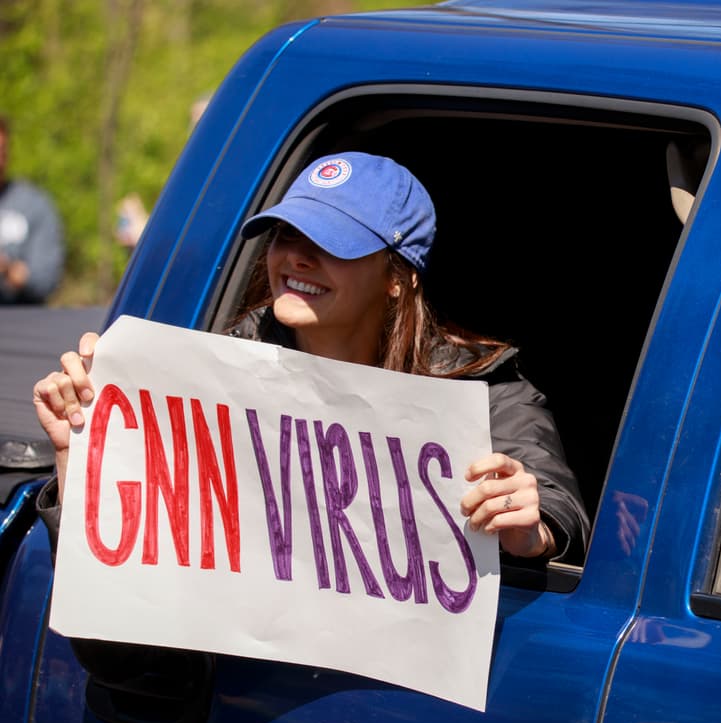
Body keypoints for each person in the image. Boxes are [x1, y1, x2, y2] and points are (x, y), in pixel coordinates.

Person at [33, 151, 590, 566]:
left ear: (399, 278)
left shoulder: (483, 388)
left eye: (332, 242)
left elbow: (555, 506)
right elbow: (128, 626)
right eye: (285, 234)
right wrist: (80, 454)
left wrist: (530, 529)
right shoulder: (208, 375)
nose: (296, 256)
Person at [0, 114, 65, 304]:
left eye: (2, 152)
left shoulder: (35, 204)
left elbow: (46, 279)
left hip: (21, 320)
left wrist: (9, 269)